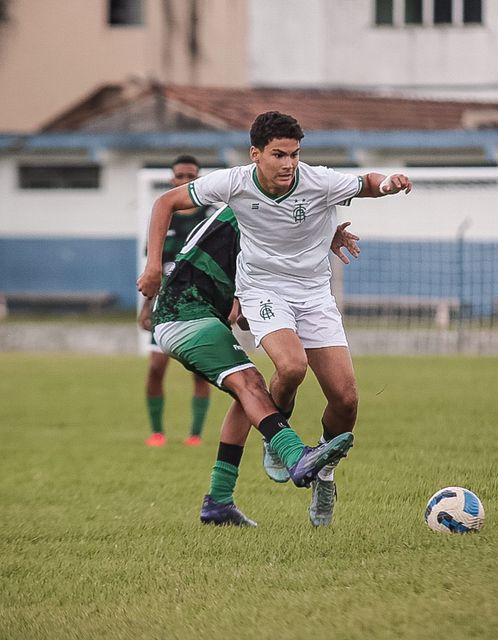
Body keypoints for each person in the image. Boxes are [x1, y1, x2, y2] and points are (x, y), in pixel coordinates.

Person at [138, 111, 412, 527]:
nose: (288, 164)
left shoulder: (315, 182)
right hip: (224, 303)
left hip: (312, 297)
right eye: (279, 155)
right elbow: (175, 212)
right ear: (256, 155)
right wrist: (154, 269)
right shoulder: (233, 191)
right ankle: (284, 446)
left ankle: (308, 475)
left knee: (343, 398)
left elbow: (361, 185)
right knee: (281, 370)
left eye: (294, 155)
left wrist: (379, 190)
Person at [137, 201, 360, 526]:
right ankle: (295, 454)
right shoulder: (255, 211)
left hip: (196, 314)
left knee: (248, 397)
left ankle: (219, 501)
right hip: (184, 314)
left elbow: (241, 313)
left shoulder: (265, 219)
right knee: (251, 384)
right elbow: (166, 203)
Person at [139, 155, 213, 448]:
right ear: (172, 180)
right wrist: (146, 307)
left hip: (200, 305)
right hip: (165, 307)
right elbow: (153, 268)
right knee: (156, 367)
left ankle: (195, 434)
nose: (185, 182)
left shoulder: (210, 218)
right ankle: (157, 432)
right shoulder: (163, 218)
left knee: (199, 370)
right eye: (180, 176)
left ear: (199, 180)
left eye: (191, 177)